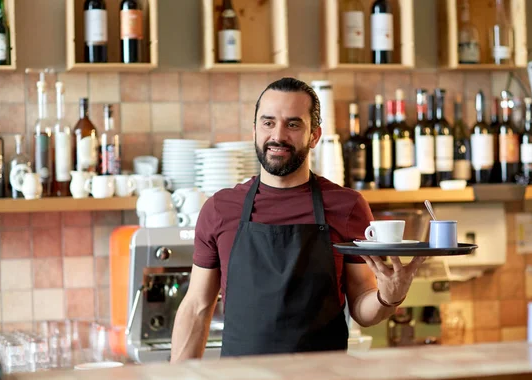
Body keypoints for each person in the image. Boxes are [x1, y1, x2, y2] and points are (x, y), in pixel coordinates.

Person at [170, 77, 425, 361]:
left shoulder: (347, 207)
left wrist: (388, 298)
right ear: (255, 131)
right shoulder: (220, 208)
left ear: (314, 136)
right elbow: (197, 306)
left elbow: (363, 308)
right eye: (268, 123)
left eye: (293, 124)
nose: (277, 135)